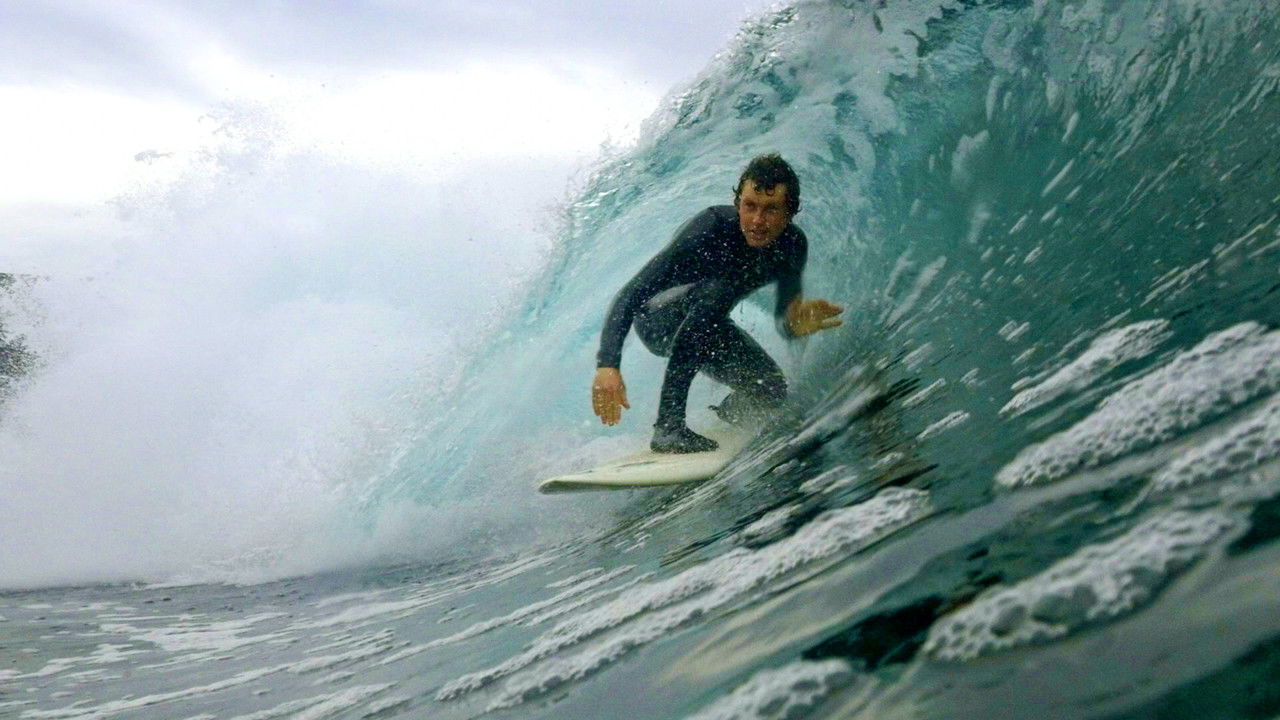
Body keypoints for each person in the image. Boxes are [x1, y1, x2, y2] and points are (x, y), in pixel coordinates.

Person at [591, 154, 843, 453]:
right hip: (657, 319)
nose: (757, 220)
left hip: (707, 324)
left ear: (789, 212)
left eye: (771, 209)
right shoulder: (711, 227)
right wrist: (608, 365)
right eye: (750, 206)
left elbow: (784, 320)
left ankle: (731, 415)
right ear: (738, 204)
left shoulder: (792, 246)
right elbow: (630, 295)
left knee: (771, 389)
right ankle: (669, 428)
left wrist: (795, 323)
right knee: (716, 292)